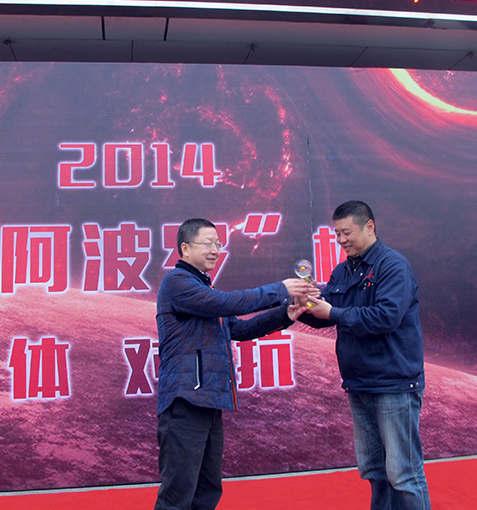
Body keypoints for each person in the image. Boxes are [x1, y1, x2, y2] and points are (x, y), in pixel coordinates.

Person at [154, 217, 319, 510]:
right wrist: (280, 289)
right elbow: (229, 303)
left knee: (206, 492)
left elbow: (239, 330)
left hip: (209, 401)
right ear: (185, 248)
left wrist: (285, 314)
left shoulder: (205, 289)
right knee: (178, 496)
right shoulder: (177, 283)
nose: (215, 250)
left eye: (218, 244)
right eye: (208, 243)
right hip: (185, 401)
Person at [297, 200, 431, 510]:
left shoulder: (393, 266)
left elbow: (386, 317)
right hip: (359, 384)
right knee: (375, 471)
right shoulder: (343, 270)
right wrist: (302, 306)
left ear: (369, 227)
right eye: (337, 234)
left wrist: (332, 312)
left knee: (404, 473)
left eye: (347, 232)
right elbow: (325, 314)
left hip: (394, 384)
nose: (341, 240)